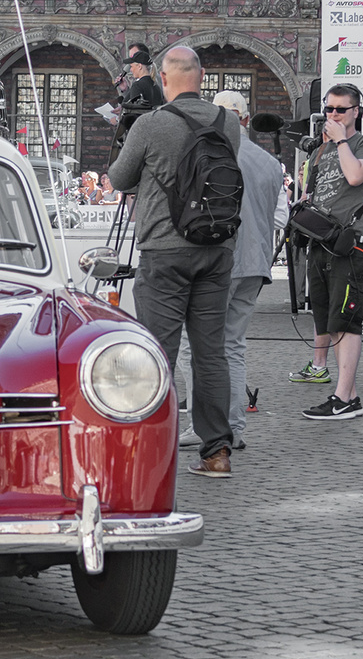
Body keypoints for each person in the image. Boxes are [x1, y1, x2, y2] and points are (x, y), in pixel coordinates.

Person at [107, 46, 242, 477]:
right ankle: (217, 451)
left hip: (164, 250)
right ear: (202, 76)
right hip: (217, 249)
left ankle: (152, 452)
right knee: (210, 354)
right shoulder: (230, 123)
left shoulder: (150, 124)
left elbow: (119, 178)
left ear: (163, 79)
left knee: (159, 354)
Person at [177, 90, 288, 448]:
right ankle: (234, 426)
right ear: (245, 117)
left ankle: (205, 423)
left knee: (195, 345)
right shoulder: (270, 163)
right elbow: (276, 216)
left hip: (223, 260)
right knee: (233, 346)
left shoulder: (215, 152)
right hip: (257, 263)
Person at [287, 85, 363, 421]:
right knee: (327, 319)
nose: (333, 116)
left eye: (341, 109)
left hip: (350, 243)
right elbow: (313, 191)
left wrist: (341, 140)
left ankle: (342, 398)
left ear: (357, 111)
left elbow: (357, 176)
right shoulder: (322, 150)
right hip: (320, 240)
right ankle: (350, 395)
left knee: (346, 320)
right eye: (329, 110)